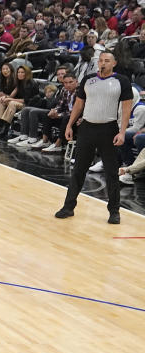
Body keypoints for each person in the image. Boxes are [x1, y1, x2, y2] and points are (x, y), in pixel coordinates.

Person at [55, 51, 133, 224]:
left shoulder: (122, 81)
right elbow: (79, 103)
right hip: (87, 129)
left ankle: (114, 211)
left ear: (114, 63)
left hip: (109, 129)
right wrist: (69, 125)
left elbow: (127, 108)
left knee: (111, 172)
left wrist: (122, 131)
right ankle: (68, 207)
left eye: (107, 61)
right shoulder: (88, 79)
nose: (103, 63)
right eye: (101, 61)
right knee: (78, 170)